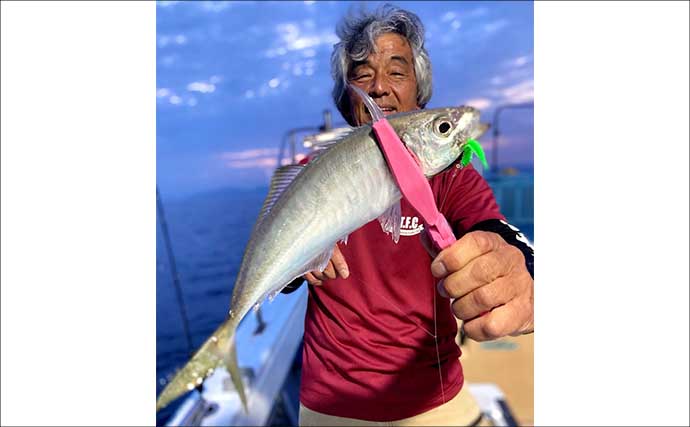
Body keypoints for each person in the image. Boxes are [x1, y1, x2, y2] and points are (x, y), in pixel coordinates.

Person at [282, 4, 534, 426]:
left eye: (397, 72)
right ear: (347, 99)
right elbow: (280, 266)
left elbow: (495, 229)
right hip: (332, 401)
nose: (379, 87)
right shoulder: (312, 176)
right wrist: (300, 262)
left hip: (432, 397)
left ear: (419, 93)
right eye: (362, 75)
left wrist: (523, 270)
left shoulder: (451, 176)